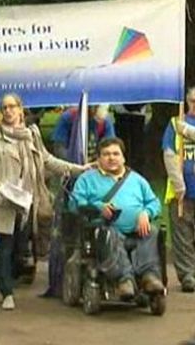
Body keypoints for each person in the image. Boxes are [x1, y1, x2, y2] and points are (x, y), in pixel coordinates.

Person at [0, 93, 85, 311]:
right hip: (3, 201)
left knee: (21, 251)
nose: (8, 111)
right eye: (4, 108)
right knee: (4, 249)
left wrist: (77, 169)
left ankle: (12, 276)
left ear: (21, 109)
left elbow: (47, 160)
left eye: (12, 107)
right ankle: (6, 292)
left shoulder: (32, 134)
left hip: (28, 201)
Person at [72, 137, 164, 298]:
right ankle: (124, 279)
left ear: (123, 157)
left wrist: (146, 213)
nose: (111, 158)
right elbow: (75, 204)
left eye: (116, 154)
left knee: (152, 231)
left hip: (136, 230)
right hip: (103, 230)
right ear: (98, 158)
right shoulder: (87, 179)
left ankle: (148, 276)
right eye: (106, 154)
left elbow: (154, 202)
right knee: (109, 232)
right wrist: (98, 207)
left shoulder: (137, 180)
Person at [162, 88, 195, 292]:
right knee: (182, 235)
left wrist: (189, 132)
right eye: (192, 100)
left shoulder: (183, 127)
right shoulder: (176, 123)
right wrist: (178, 183)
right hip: (183, 191)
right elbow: (168, 153)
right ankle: (188, 276)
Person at [51, 105, 115, 161]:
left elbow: (110, 146)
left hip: (95, 163)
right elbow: (59, 148)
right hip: (71, 162)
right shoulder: (68, 117)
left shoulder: (105, 121)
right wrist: (74, 167)